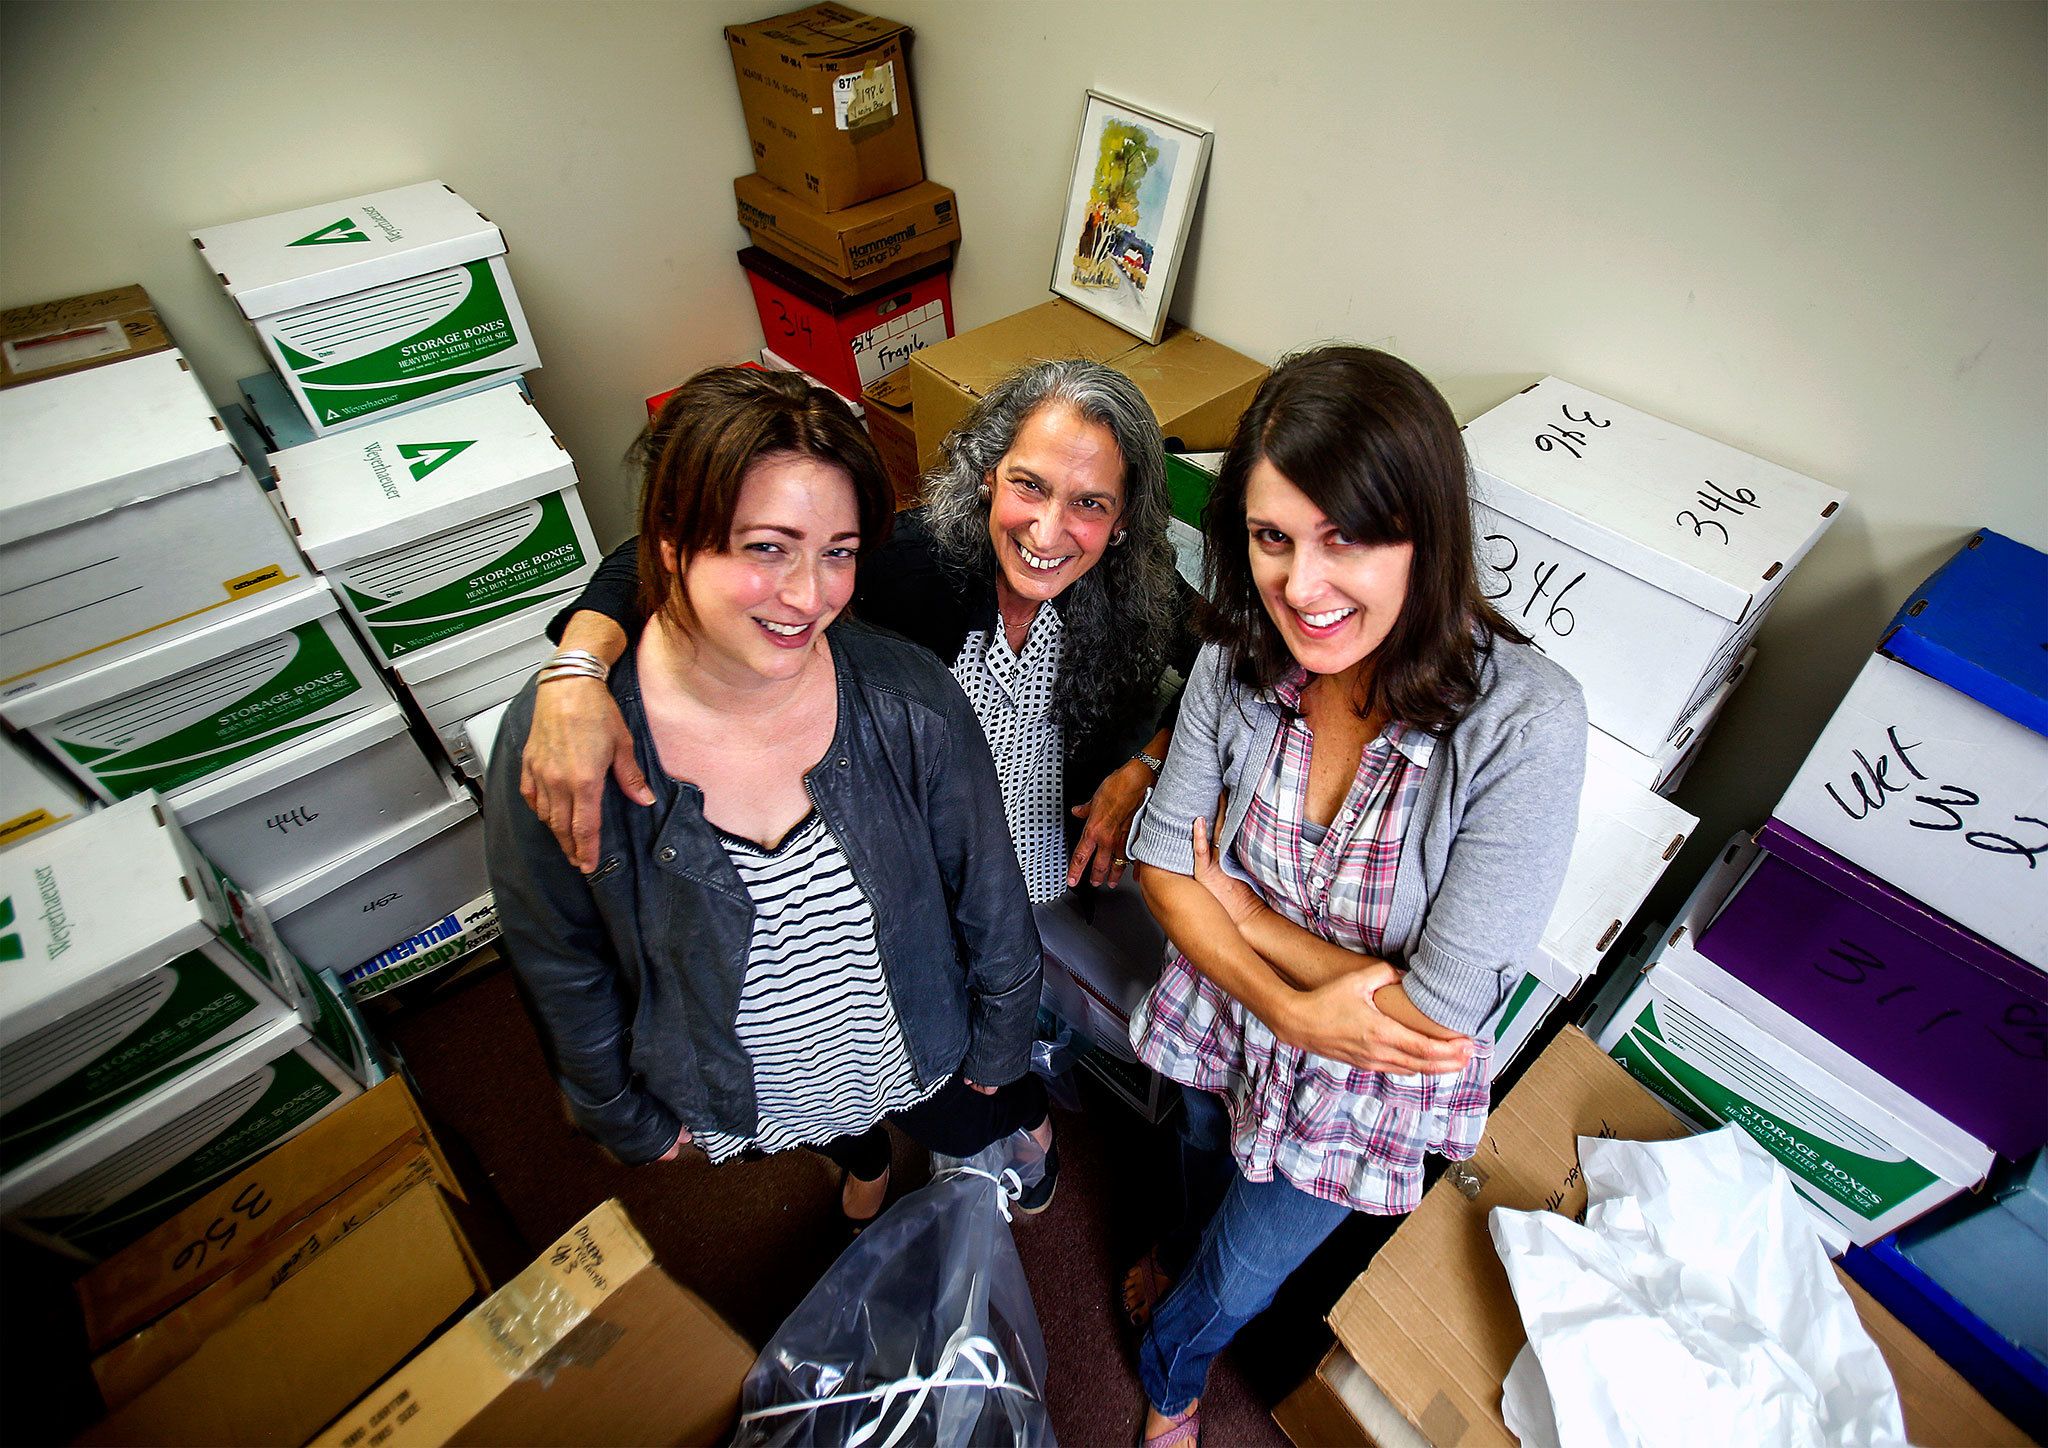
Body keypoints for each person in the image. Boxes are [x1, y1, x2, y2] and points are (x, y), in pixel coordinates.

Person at [1119, 347, 1588, 1447]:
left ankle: (1169, 1373)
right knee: (1191, 1151)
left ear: (1425, 533)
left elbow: (1435, 1017)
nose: (1301, 587)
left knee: (1238, 1270)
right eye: (1272, 537)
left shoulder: (1525, 724)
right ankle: (1170, 1258)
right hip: (1224, 1006)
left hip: (1362, 1081)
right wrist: (1279, 993)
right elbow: (1157, 857)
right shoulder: (1242, 652)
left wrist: (1237, 914)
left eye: (1345, 538)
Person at [484, 366, 1049, 1229]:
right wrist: (619, 1113)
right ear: (670, 543)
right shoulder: (569, 741)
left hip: (907, 1040)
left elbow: (988, 886)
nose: (808, 596)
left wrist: (1005, 1038)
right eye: (767, 547)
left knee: (957, 1111)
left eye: (838, 553)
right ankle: (858, 1155)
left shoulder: (908, 699)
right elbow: (561, 957)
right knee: (827, 1134)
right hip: (748, 1089)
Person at [519, 359, 1199, 907]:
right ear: (989, 476)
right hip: (912, 888)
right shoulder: (909, 563)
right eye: (1029, 485)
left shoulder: (1135, 586)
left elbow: (1224, 660)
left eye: (1088, 504)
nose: (1048, 532)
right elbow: (658, 554)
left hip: (1051, 879)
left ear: (1121, 522)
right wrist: (578, 669)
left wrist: (1145, 766)